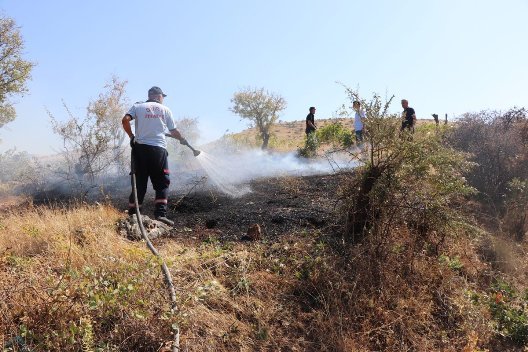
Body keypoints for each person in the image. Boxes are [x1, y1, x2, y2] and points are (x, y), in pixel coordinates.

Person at [121, 86, 188, 226]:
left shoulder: (138, 106)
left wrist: (132, 136)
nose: (163, 99)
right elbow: (173, 131)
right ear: (158, 96)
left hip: (140, 150)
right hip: (158, 150)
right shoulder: (165, 110)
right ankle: (160, 215)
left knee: (139, 182)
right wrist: (182, 139)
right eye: (162, 96)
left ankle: (133, 215)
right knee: (162, 182)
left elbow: (125, 120)